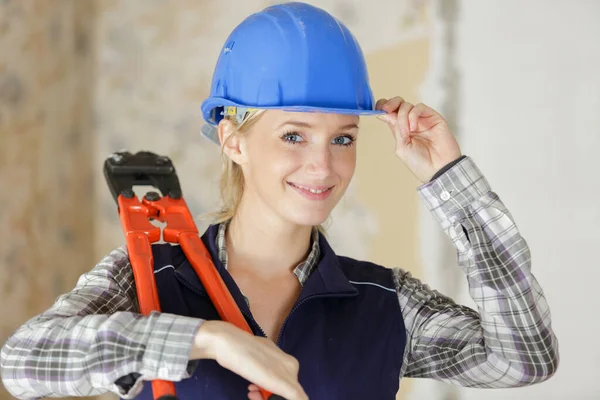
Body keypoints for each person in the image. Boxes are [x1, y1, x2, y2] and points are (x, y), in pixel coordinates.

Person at [0, 2, 558, 400]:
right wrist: (209, 339)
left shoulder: (384, 302)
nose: (324, 166)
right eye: (294, 135)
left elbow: (523, 358)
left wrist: (450, 181)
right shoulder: (152, 276)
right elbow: (23, 363)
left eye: (343, 138)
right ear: (233, 139)